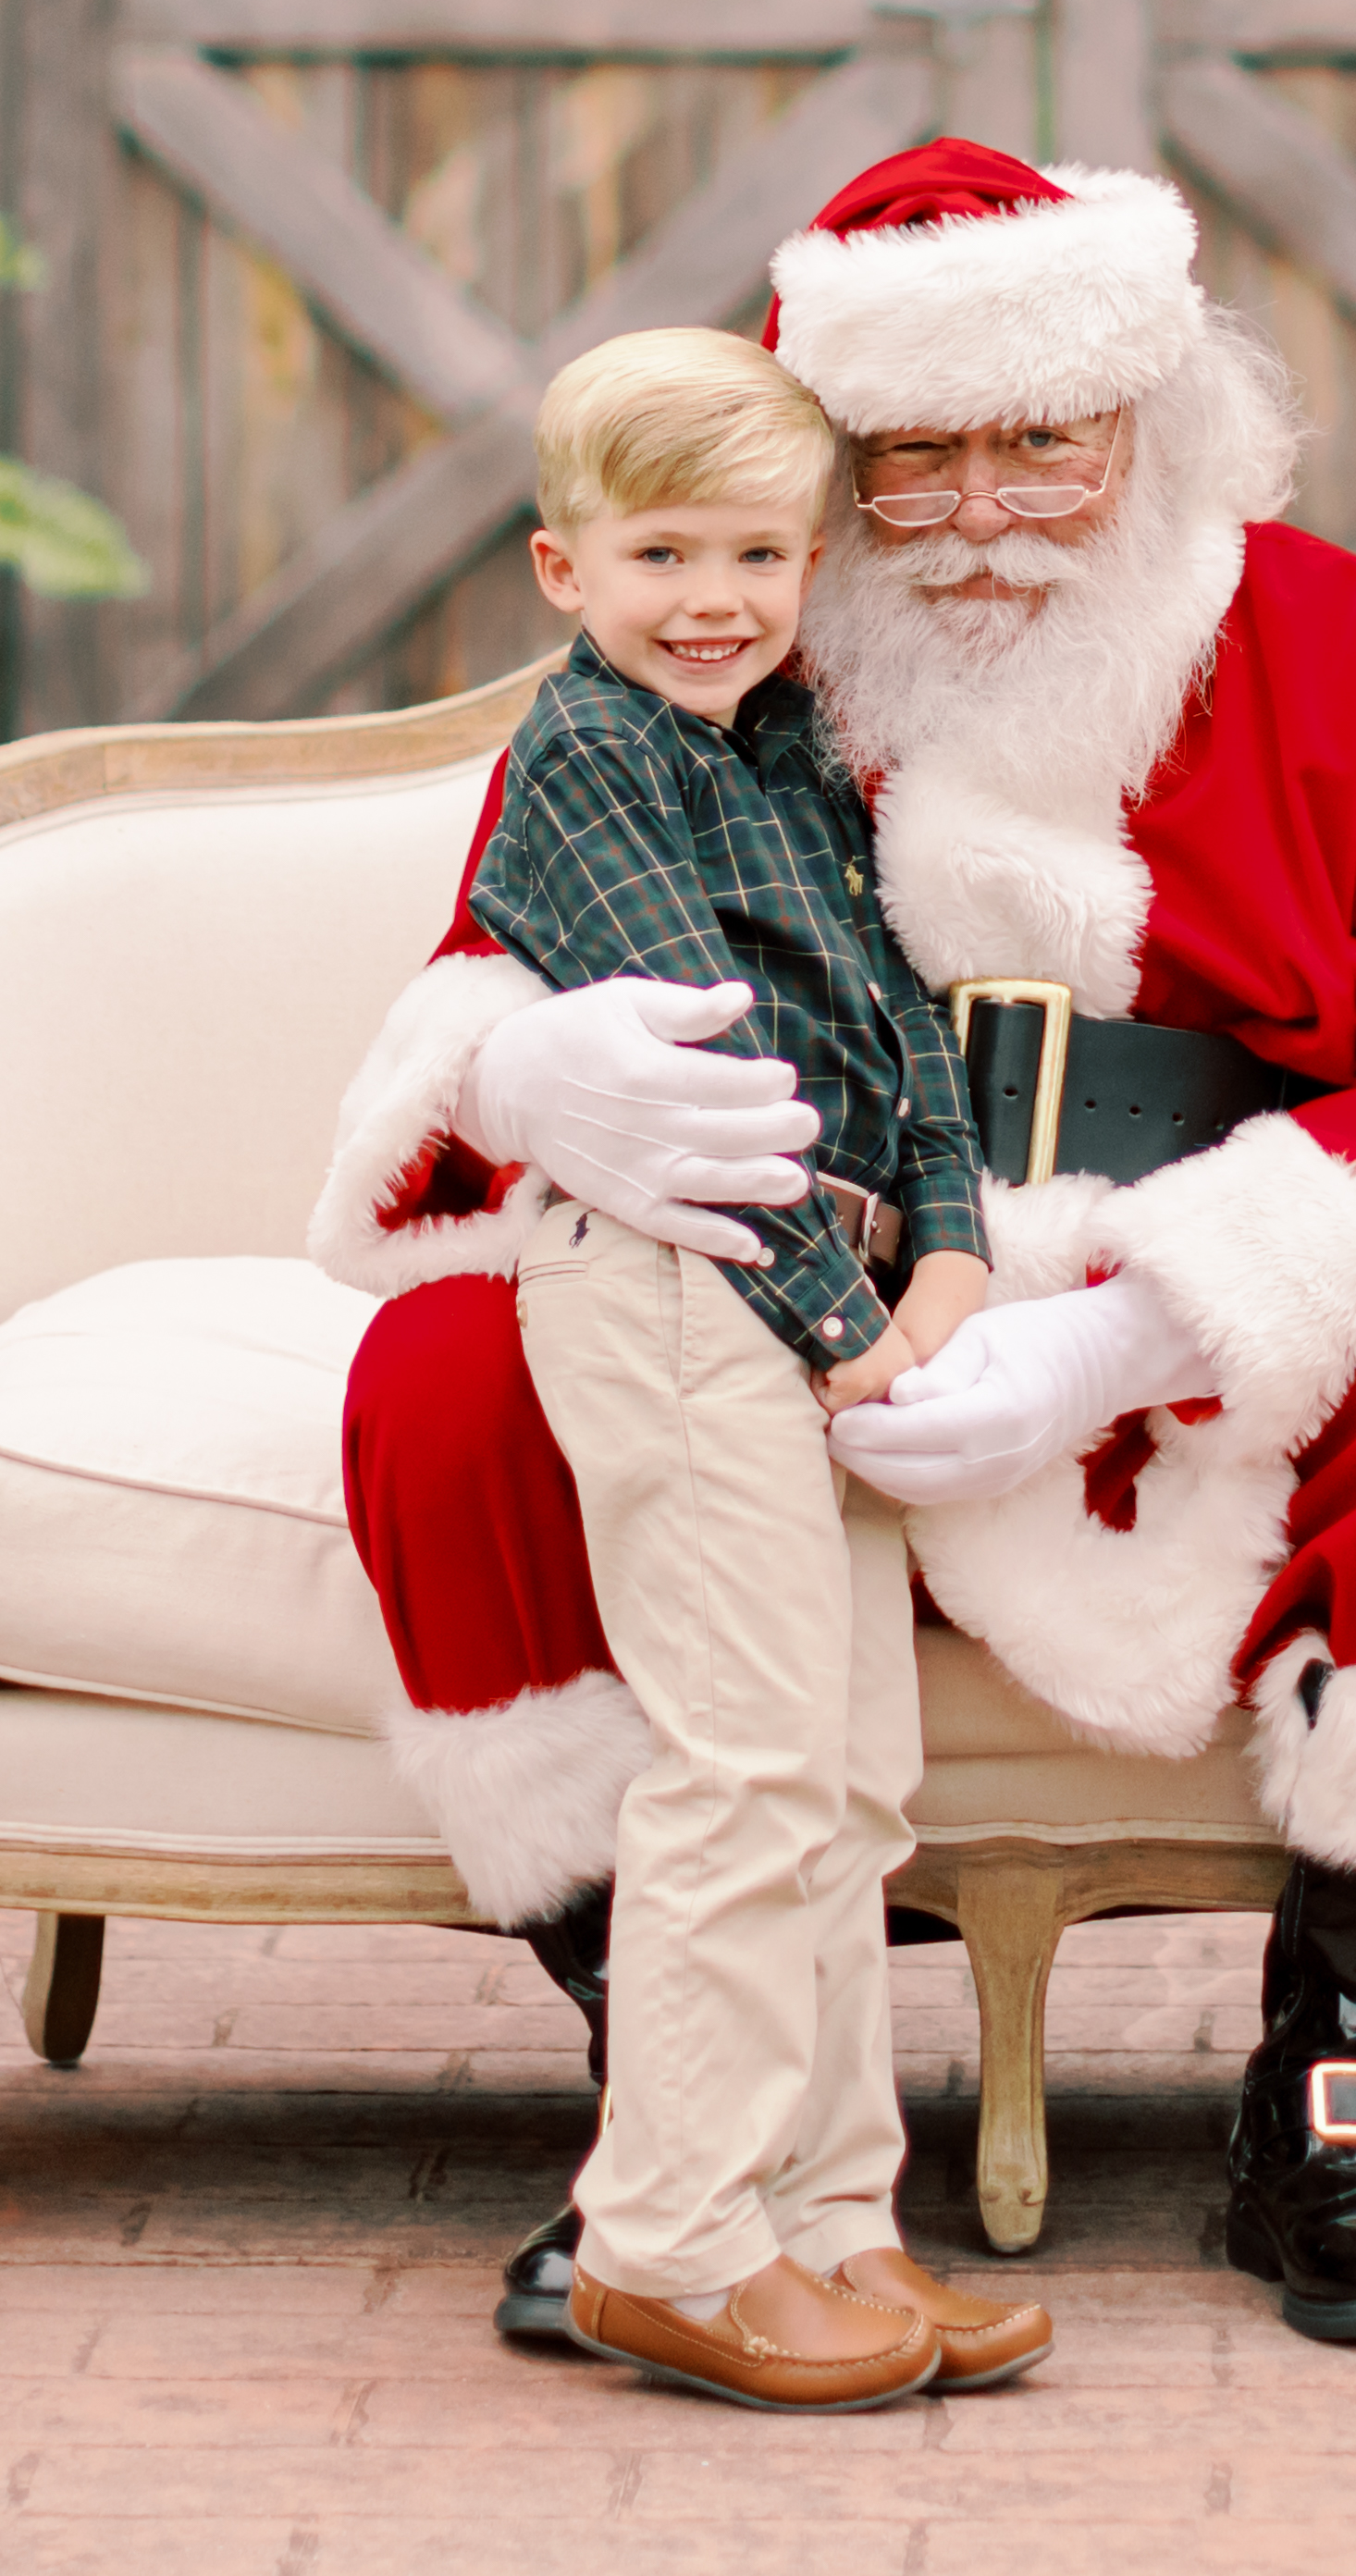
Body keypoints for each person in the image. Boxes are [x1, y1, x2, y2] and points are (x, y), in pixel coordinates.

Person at [315, 144, 1356, 2348]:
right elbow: (487, 988)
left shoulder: (1349, 646)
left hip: (1193, 1342)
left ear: (1153, 416)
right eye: (909, 462)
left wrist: (1131, 1331)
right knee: (441, 1382)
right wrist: (529, 1076)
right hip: (788, 1294)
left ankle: (1334, 2100)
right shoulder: (699, 658)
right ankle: (685, 2132)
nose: (990, 505)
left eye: (1046, 438)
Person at [436, 329, 1050, 2411]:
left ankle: (831, 2227)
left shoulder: (785, 744)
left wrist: (953, 1238)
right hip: (685, 1286)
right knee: (747, 1768)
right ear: (561, 566)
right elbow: (724, 1075)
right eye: (661, 552)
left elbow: (885, 1019)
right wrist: (848, 1326)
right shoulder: (588, 762)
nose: (713, 597)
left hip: (831, 1303)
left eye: (761, 554)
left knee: (856, 1784)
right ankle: (672, 2240)